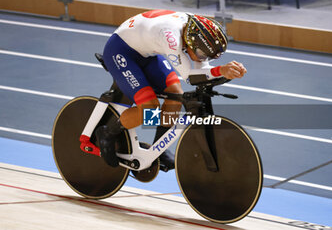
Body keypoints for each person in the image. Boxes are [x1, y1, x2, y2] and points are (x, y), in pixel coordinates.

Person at [80, 9, 247, 171]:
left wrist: (224, 72)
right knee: (150, 108)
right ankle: (107, 133)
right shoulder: (170, 37)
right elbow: (190, 76)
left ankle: (158, 149)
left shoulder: (197, 30)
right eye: (203, 54)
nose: (204, 60)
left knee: (176, 95)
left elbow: (202, 70)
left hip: (146, 51)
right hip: (121, 51)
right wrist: (220, 71)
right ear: (191, 41)